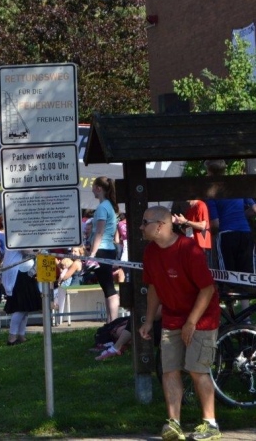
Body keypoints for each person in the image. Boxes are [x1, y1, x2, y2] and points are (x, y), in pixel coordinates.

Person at [137, 206, 221, 441]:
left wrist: (191, 322)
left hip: (202, 317)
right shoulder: (150, 252)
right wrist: (148, 320)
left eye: (145, 223)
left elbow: (207, 289)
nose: (141, 227)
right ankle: (174, 424)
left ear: (160, 226)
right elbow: (153, 287)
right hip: (172, 317)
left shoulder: (189, 249)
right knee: (169, 370)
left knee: (197, 370)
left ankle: (210, 425)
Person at [203, 159, 256, 274]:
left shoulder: (212, 193)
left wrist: (209, 232)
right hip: (245, 233)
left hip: (226, 235)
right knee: (246, 275)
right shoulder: (237, 186)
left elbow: (215, 224)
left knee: (228, 275)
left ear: (209, 172)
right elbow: (254, 209)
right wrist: (239, 215)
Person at [88, 176, 121, 323]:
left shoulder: (103, 207)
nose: (92, 190)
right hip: (107, 249)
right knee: (107, 288)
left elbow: (99, 232)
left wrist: (92, 254)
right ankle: (110, 322)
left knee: (109, 289)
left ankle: (113, 322)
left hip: (102, 250)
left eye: (93, 187)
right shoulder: (108, 206)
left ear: (98, 188)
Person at [3, 248, 41, 344]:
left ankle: (21, 335)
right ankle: (12, 337)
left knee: (25, 308)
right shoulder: (17, 238)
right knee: (20, 308)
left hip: (25, 272)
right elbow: (25, 250)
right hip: (19, 274)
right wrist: (37, 252)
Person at [172, 200, 212, 265]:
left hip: (201, 247)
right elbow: (188, 231)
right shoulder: (189, 209)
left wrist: (185, 221)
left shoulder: (201, 205)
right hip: (192, 247)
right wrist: (179, 223)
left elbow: (203, 226)